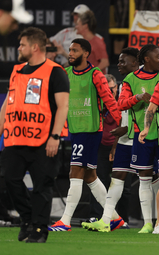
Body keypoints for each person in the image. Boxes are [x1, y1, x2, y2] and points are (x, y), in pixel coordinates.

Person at [0, 27, 69, 242]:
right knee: (10, 179)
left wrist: (55, 137)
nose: (19, 48)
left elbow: (63, 106)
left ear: (35, 47)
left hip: (43, 140)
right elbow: (7, 104)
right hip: (15, 138)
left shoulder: (55, 71)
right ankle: (28, 218)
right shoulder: (17, 70)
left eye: (22, 45)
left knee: (42, 185)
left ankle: (39, 229)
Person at [48, 38, 121, 231]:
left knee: (75, 173)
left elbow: (109, 100)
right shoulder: (66, 73)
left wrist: (121, 122)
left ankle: (64, 221)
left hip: (90, 131)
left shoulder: (96, 74)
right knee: (90, 177)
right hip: (76, 130)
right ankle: (113, 217)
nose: (70, 53)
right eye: (70, 50)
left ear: (86, 54)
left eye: (75, 50)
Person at [81, 47, 140, 232]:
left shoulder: (136, 85)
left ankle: (156, 221)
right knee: (108, 180)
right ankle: (107, 219)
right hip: (106, 145)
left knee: (152, 180)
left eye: (111, 88)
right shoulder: (120, 90)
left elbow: (123, 119)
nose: (109, 91)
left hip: (137, 140)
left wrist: (123, 135)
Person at [117, 44, 159, 234]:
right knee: (144, 178)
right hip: (141, 134)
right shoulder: (130, 79)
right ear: (147, 59)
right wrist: (137, 97)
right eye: (158, 56)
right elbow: (121, 104)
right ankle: (147, 223)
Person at [88, 74, 119, 219]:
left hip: (119, 146)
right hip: (99, 147)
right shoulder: (97, 103)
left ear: (117, 88)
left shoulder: (122, 103)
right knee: (97, 180)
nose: (109, 93)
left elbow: (123, 126)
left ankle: (120, 217)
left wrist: (114, 147)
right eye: (106, 90)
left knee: (119, 183)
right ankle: (96, 215)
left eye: (111, 89)